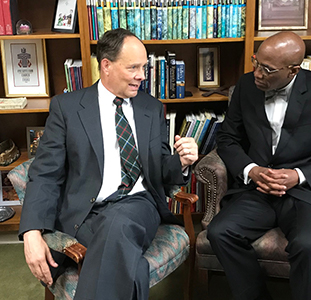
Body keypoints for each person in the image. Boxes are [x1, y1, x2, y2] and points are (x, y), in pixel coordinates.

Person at [19, 28, 198, 300]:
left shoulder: (151, 108)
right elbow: (45, 174)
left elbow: (160, 167)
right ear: (106, 66)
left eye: (144, 67)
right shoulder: (66, 108)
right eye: (134, 67)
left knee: (119, 223)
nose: (142, 75)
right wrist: (32, 232)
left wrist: (182, 162)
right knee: (131, 265)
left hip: (139, 203)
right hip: (85, 213)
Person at [207, 31, 311, 300]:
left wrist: (299, 175)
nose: (257, 73)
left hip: (305, 194)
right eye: (256, 63)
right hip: (256, 189)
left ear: (293, 70)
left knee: (308, 244)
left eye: (267, 69)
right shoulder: (245, 86)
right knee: (220, 232)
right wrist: (251, 171)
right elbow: (228, 139)